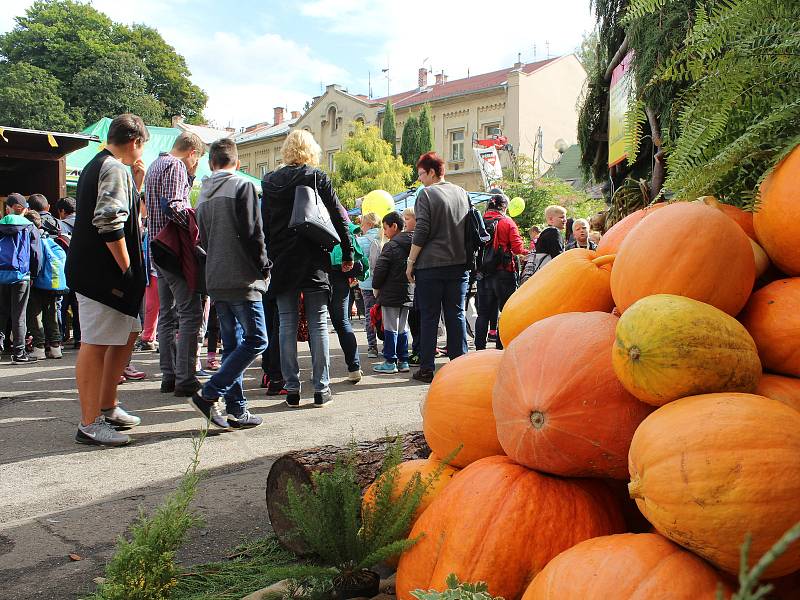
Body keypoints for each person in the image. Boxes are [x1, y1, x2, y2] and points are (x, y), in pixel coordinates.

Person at [66, 113, 149, 446]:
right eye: (142, 147)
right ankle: (89, 423)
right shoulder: (113, 167)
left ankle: (108, 406)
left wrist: (137, 186)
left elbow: (121, 215)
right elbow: (110, 222)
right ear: (135, 142)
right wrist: (127, 268)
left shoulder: (106, 165)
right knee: (97, 343)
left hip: (102, 274)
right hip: (101, 275)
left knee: (124, 335)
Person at [262, 129, 353, 408]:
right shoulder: (316, 177)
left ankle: (291, 388)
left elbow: (264, 224)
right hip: (313, 257)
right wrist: (347, 252)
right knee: (318, 322)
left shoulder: (269, 181)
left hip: (281, 260)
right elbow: (339, 217)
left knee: (286, 323)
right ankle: (321, 388)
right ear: (311, 150)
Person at [191, 138, 269, 429]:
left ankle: (238, 409)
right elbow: (254, 233)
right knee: (257, 339)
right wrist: (264, 266)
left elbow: (204, 240)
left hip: (216, 277)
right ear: (237, 163)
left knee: (233, 343)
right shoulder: (242, 186)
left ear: (211, 163)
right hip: (242, 276)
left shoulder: (204, 194)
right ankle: (210, 392)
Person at [144, 131, 206, 397]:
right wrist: (198, 229)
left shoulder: (155, 164)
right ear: (192, 153)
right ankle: (185, 378)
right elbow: (175, 206)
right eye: (197, 159)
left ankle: (169, 375)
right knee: (190, 313)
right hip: (174, 249)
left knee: (167, 315)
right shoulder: (175, 165)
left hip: (158, 249)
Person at [405, 152, 470, 384]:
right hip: (459, 264)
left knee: (430, 316)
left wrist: (410, 262)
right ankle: (460, 365)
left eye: (421, 174)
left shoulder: (427, 194)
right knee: (456, 314)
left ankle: (426, 368)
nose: (420, 179)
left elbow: (421, 230)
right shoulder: (462, 193)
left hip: (431, 266)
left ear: (431, 172)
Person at [474, 194, 527, 351]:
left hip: (483, 273)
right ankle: (500, 347)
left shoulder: (479, 222)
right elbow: (518, 249)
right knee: (506, 312)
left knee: (482, 314)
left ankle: (479, 350)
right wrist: (530, 252)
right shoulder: (507, 222)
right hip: (504, 273)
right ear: (504, 207)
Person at [372, 211, 413, 373]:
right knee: (403, 327)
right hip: (408, 292)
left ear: (394, 226)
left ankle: (390, 361)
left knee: (390, 327)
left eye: (385, 228)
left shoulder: (391, 246)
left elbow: (380, 269)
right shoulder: (413, 243)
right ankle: (403, 360)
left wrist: (376, 288)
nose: (385, 232)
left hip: (390, 293)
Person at [0, 207, 41, 362]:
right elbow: (36, 253)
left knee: (1, 312)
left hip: (1, 273)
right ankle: (19, 353)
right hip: (21, 275)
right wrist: (34, 273)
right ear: (24, 209)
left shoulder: (1, 224)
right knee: (19, 315)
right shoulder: (29, 226)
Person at [22, 209, 64, 359]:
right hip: (52, 282)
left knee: (35, 315)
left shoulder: (31, 237)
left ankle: (39, 348)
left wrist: (32, 275)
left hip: (37, 282)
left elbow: (34, 258)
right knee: (52, 314)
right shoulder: (49, 237)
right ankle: (56, 347)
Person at [327, 206, 363, 383]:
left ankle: (321, 374)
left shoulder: (310, 205)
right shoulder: (338, 209)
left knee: (316, 324)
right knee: (342, 322)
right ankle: (354, 367)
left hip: (319, 272)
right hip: (342, 272)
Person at [356, 211, 381, 358]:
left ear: (369, 224)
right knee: (388, 316)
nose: (361, 227)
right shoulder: (386, 237)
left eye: (363, 224)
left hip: (367, 284)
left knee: (369, 315)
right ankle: (390, 345)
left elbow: (357, 262)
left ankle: (372, 347)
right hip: (385, 284)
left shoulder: (361, 241)